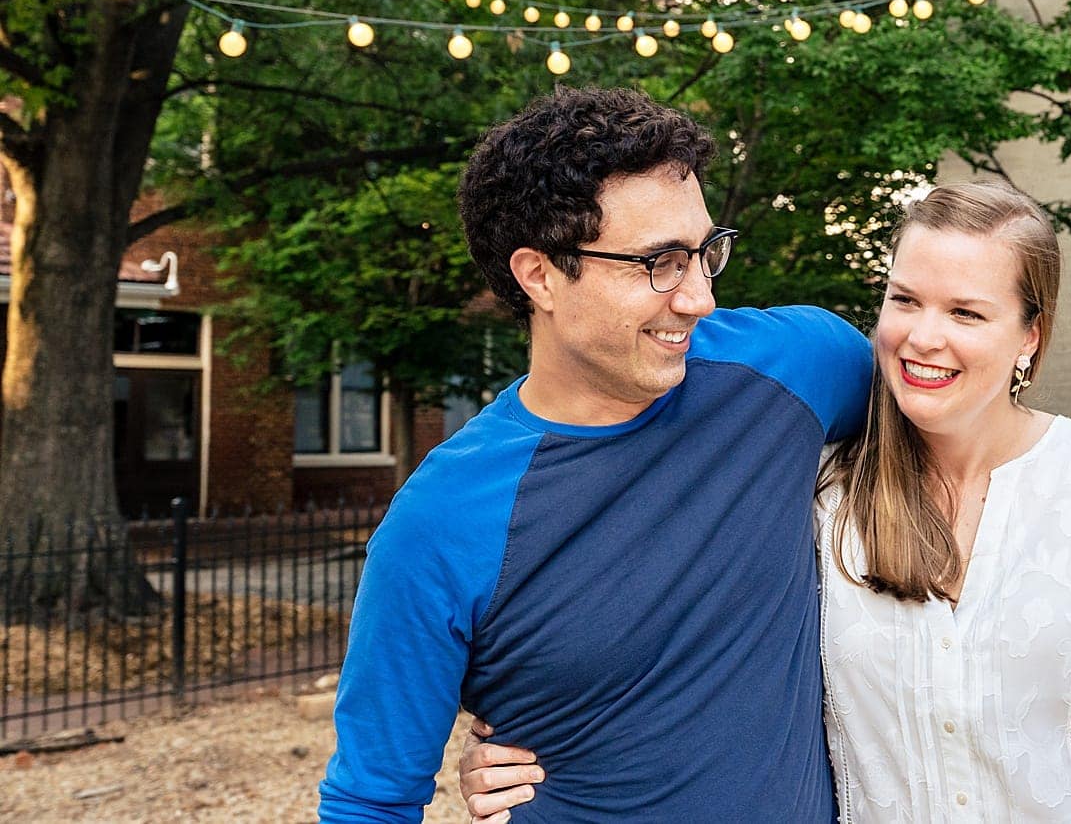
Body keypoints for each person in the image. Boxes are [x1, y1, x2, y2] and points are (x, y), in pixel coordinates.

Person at [461, 181, 1071, 823]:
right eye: (903, 299)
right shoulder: (819, 497)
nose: (922, 337)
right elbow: (671, 643)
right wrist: (540, 748)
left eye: (967, 313)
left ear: (1030, 335)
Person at [318, 87, 872, 823]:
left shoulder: (795, 367)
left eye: (706, 252)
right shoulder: (441, 520)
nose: (700, 296)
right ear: (539, 274)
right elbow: (370, 801)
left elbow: (957, 442)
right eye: (660, 263)